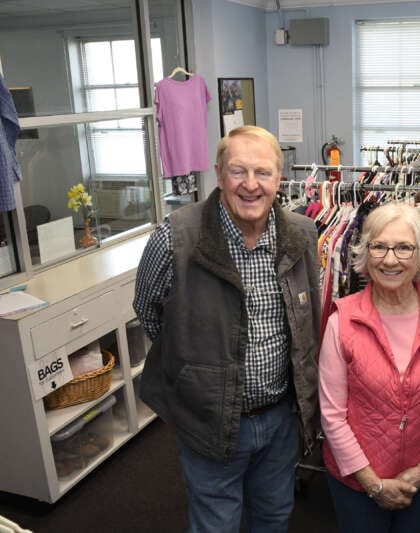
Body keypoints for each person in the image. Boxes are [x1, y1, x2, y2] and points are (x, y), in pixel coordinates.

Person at [133, 125, 321, 533]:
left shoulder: (303, 235)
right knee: (215, 525)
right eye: (238, 171)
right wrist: (191, 374)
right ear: (219, 176)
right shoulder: (174, 238)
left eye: (263, 172)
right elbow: (148, 312)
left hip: (279, 420)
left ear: (280, 178)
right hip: (211, 421)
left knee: (274, 517)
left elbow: (308, 324)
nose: (251, 185)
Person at [319, 203, 420, 533]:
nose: (390, 259)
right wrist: (372, 484)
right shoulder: (341, 321)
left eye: (403, 247)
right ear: (365, 252)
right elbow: (332, 415)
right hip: (356, 484)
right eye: (379, 246)